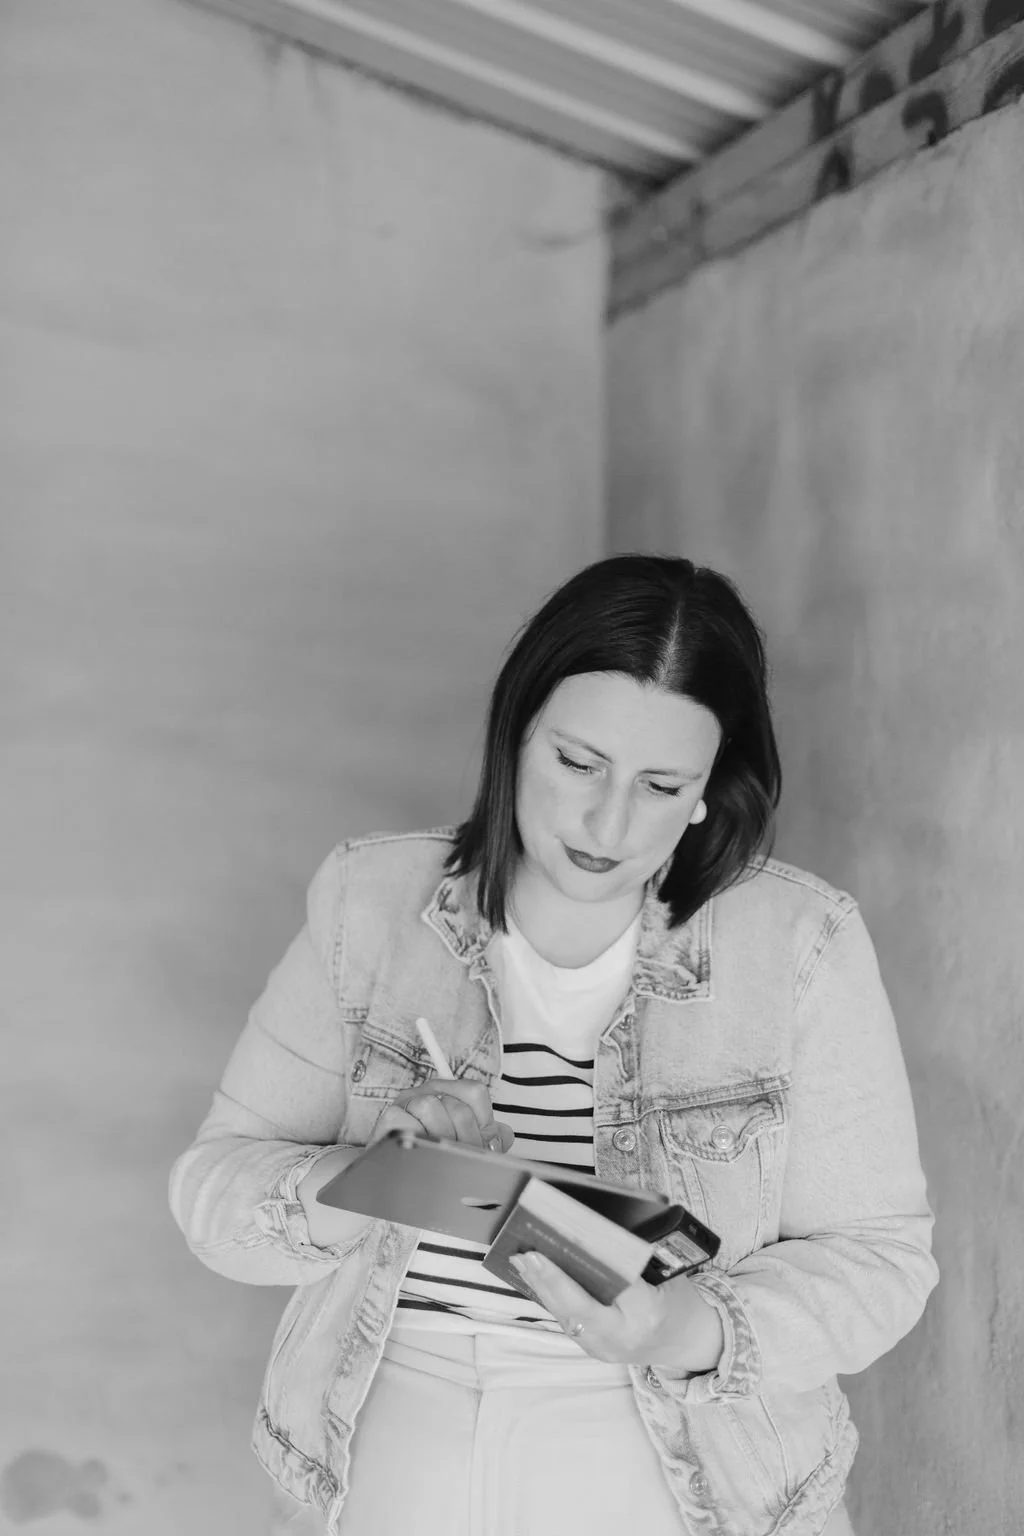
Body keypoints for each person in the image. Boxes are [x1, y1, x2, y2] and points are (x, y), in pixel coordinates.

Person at [169, 554, 938, 1536]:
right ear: (516, 733)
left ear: (708, 790)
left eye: (661, 785)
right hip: (388, 1449)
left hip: (686, 1468)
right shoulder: (370, 902)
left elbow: (880, 1263)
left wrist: (681, 1328)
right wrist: (379, 1177)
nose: (608, 822)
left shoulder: (797, 942)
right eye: (578, 763)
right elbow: (213, 1197)